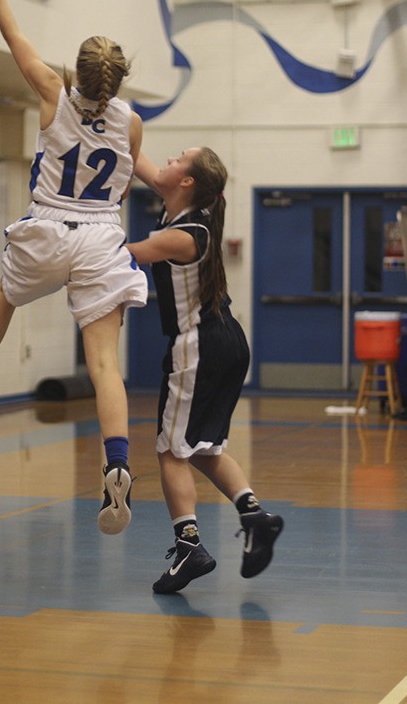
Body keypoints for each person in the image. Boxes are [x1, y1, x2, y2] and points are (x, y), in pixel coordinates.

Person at [0, 0, 148, 536]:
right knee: (105, 363)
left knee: (5, 293)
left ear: (77, 71)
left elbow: (12, 34)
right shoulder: (132, 122)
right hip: (102, 231)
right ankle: (117, 462)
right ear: (120, 77)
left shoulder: (52, 91)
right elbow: (129, 183)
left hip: (50, 224)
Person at [128, 147, 283, 593]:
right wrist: (110, 121)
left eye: (178, 159)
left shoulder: (182, 235)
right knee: (203, 447)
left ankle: (189, 545)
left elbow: (127, 255)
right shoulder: (182, 207)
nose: (168, 162)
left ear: (189, 182)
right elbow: (141, 160)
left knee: (170, 449)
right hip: (225, 341)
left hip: (199, 344)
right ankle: (255, 516)